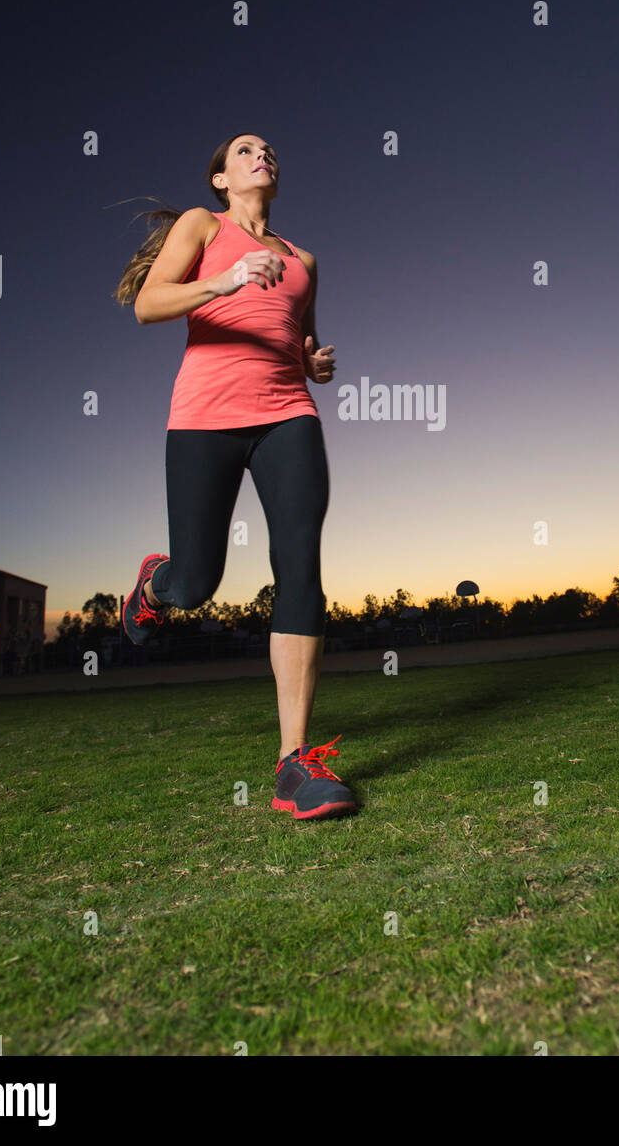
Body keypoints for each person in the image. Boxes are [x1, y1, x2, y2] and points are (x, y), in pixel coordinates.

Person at [112, 132, 357, 820]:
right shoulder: (201, 225)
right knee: (198, 583)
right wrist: (225, 278)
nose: (263, 155)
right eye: (245, 150)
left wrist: (312, 366)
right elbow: (148, 305)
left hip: (289, 417)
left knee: (299, 565)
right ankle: (156, 585)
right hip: (204, 418)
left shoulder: (303, 260)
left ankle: (294, 763)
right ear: (221, 178)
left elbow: (294, 334)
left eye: (270, 149)